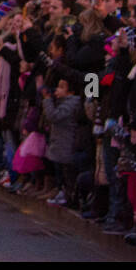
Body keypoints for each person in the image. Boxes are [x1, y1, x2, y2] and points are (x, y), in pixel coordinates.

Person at [43, 77, 85, 208]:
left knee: (67, 172)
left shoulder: (71, 103)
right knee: (60, 170)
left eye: (61, 87)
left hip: (66, 143)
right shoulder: (63, 102)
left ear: (71, 91)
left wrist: (47, 100)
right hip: (59, 142)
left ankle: (69, 196)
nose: (57, 89)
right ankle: (62, 192)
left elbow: (54, 116)